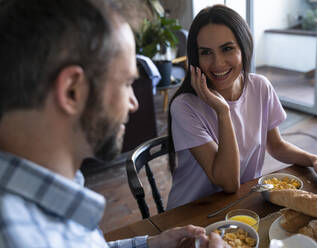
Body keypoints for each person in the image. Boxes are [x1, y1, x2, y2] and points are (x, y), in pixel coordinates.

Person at [0, 0, 225, 247]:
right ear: (73, 91)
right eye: (127, 83)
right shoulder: (20, 239)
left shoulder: (50, 187)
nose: (133, 103)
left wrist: (151, 244)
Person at [166, 5, 317, 210]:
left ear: (244, 48)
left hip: (241, 203)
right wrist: (223, 112)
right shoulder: (184, 106)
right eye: (206, 52)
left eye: (227, 49)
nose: (217, 63)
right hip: (189, 214)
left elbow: (276, 146)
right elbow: (228, 182)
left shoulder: (260, 86)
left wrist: (314, 159)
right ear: (196, 58)